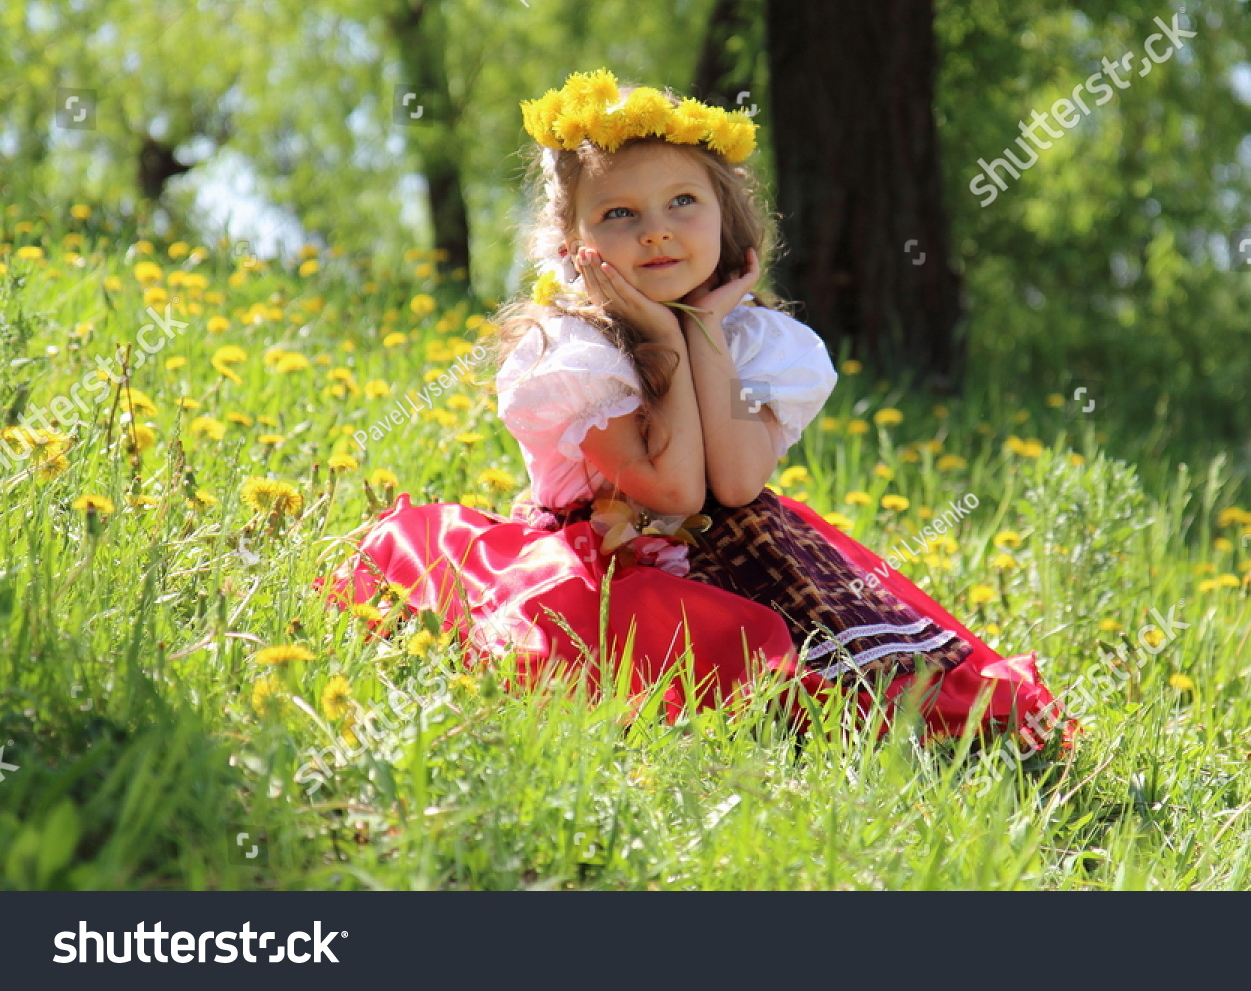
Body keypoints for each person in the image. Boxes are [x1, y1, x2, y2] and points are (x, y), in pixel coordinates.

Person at [316, 68, 1075, 762]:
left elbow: (739, 482)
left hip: (751, 548)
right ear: (574, 245)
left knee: (880, 683)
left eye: (685, 202)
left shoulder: (756, 341)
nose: (656, 229)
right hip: (612, 560)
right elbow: (671, 494)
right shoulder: (574, 352)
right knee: (686, 672)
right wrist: (654, 336)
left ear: (728, 221)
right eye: (619, 213)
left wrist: (704, 329)